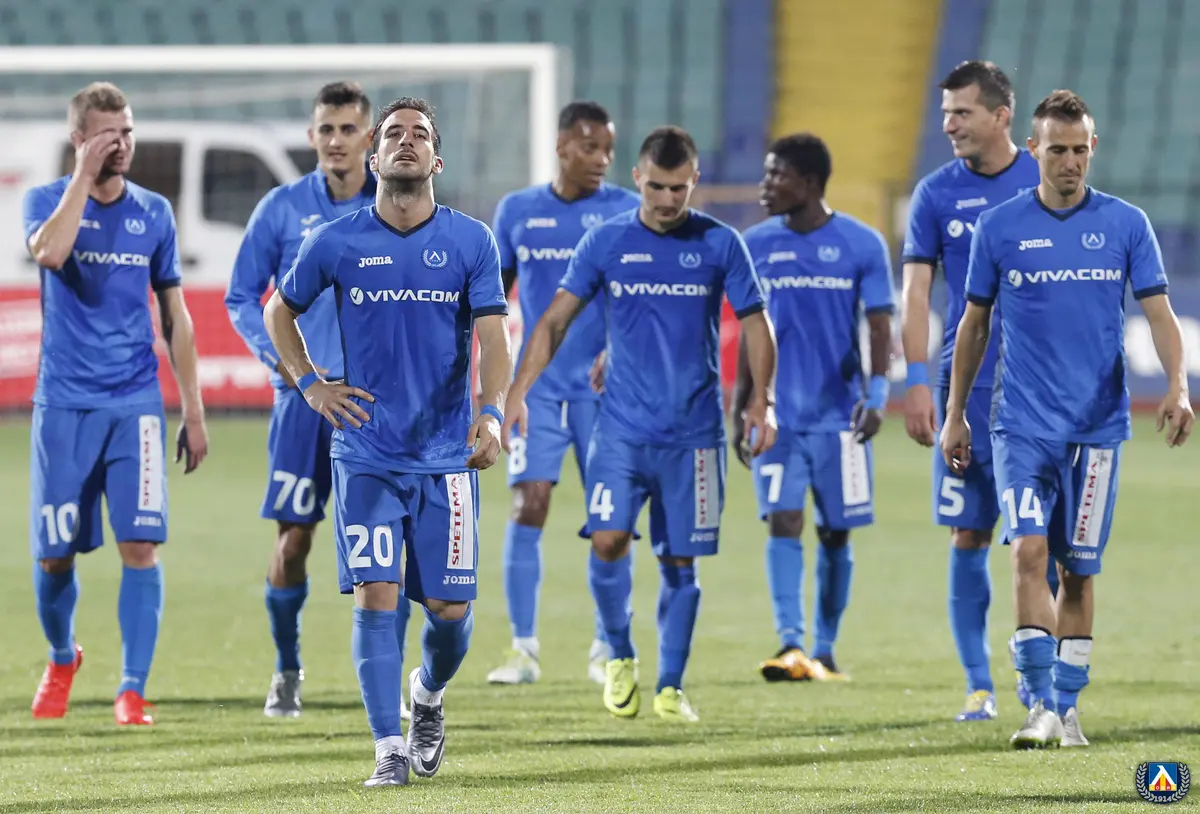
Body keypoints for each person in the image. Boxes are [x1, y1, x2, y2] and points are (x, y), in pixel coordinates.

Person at [264, 96, 510, 786]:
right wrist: (311, 385)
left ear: (437, 159)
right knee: (376, 593)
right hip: (366, 453)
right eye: (394, 133)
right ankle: (387, 749)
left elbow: (494, 337)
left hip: (446, 457)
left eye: (419, 134)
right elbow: (279, 310)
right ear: (374, 158)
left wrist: (492, 414)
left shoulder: (471, 242)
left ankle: (427, 694)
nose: (406, 141)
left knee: (451, 614)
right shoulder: (336, 241)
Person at [942, 89, 1194, 749]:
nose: (1071, 162)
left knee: (1078, 570)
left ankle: (1068, 704)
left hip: (1098, 431)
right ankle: (1039, 704)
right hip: (1021, 427)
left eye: (1081, 150)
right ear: (1033, 149)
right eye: (1058, 150)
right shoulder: (999, 228)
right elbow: (973, 325)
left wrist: (1177, 385)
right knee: (1028, 550)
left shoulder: (1126, 224)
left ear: (1093, 149)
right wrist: (954, 414)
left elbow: (1160, 314)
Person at [502, 126, 778, 723]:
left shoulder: (721, 243)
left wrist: (764, 401)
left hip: (694, 436)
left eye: (678, 188)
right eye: (656, 187)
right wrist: (516, 392)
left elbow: (757, 323)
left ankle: (671, 687)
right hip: (621, 432)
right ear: (638, 179)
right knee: (607, 540)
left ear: (694, 181)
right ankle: (620, 653)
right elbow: (553, 321)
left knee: (680, 563)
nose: (667, 199)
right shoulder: (607, 241)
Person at [225, 81, 414, 720]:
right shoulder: (281, 209)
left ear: (369, 138)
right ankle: (286, 668)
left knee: (389, 551)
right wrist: (286, 366)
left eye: (348, 129)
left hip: (377, 407)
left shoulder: (396, 209)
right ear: (311, 137)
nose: (336, 141)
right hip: (306, 404)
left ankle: (395, 681)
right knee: (292, 543)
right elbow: (242, 297)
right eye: (325, 130)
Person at [24, 82, 209, 726]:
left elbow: (176, 315)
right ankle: (62, 657)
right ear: (80, 139)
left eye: (128, 132)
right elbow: (49, 252)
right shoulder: (46, 201)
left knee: (141, 546)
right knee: (53, 556)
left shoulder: (154, 212)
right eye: (109, 134)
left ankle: (132, 689)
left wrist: (193, 409)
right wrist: (83, 175)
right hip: (64, 407)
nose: (123, 144)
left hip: (136, 407)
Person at [900, 60, 1044, 721]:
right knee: (967, 534)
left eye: (961, 112)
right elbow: (917, 291)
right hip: (966, 387)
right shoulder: (935, 194)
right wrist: (916, 381)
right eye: (945, 113)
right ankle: (978, 685)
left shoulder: (1043, 178)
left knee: (1041, 540)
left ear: (1000, 116)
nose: (949, 124)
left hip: (1039, 387)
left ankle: (1039, 674)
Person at [487, 101, 639, 686]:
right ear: (561, 146)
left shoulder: (625, 210)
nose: (601, 160)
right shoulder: (518, 211)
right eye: (589, 147)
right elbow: (492, 303)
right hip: (540, 391)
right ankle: (523, 650)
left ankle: (608, 648)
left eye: (608, 150)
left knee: (611, 522)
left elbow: (641, 297)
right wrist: (496, 385)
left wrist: (618, 347)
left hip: (607, 394)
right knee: (529, 504)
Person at [736, 133, 895, 683]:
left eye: (776, 175)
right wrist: (742, 405)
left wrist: (878, 396)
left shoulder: (862, 243)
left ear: (807, 183)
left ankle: (825, 649)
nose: (765, 186)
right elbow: (750, 333)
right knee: (782, 520)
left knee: (834, 532)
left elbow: (880, 326)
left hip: (841, 419)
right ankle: (790, 642)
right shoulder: (754, 244)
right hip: (777, 418)